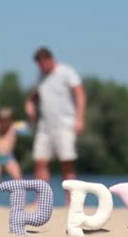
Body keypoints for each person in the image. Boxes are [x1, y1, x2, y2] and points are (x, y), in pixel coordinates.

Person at [24, 47, 87, 205]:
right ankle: (41, 200)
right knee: (40, 161)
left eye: (42, 64)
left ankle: (70, 201)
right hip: (45, 126)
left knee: (67, 163)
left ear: (49, 60)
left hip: (65, 124)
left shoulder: (66, 72)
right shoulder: (41, 76)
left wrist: (79, 118)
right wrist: (29, 103)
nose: (41, 68)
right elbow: (36, 94)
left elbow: (80, 93)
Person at [0, 108, 23, 204]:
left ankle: (20, 202)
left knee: (18, 179)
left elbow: (26, 126)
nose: (4, 121)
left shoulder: (14, 128)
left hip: (9, 157)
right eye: (2, 119)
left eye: (6, 119)